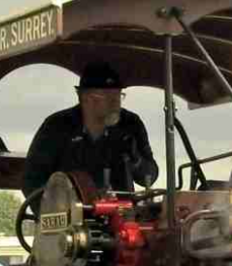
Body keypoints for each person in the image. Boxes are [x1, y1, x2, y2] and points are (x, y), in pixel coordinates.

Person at [23, 62, 159, 199]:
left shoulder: (130, 124)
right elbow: (31, 181)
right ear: (85, 98)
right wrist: (52, 213)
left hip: (122, 215)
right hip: (71, 215)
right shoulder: (57, 126)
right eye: (107, 96)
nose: (115, 102)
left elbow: (150, 177)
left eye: (118, 95)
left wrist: (135, 158)